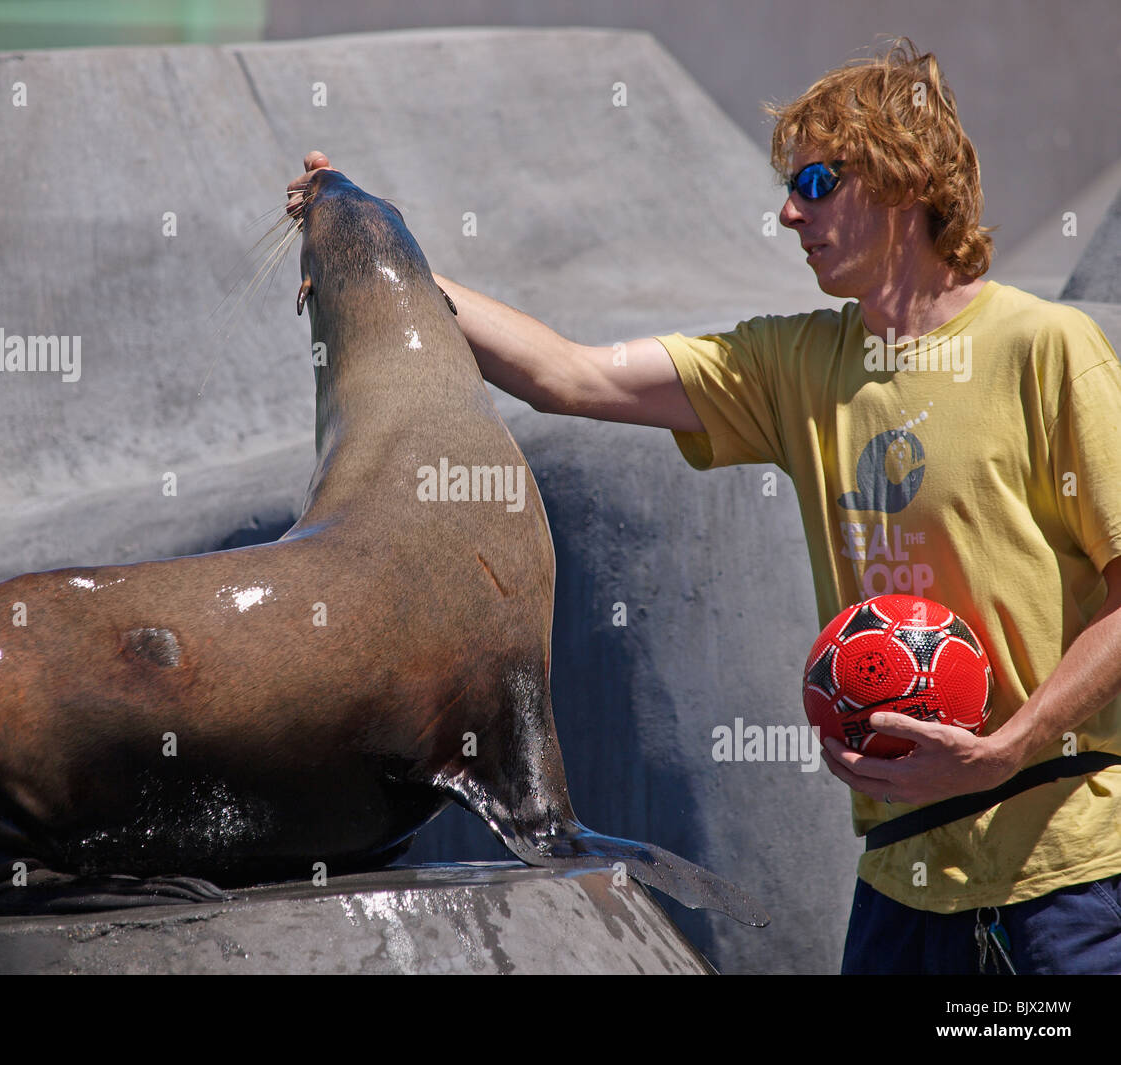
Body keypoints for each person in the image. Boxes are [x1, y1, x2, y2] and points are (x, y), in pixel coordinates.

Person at [285, 39, 1121, 974]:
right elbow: (572, 374)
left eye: (815, 179)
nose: (787, 210)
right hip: (901, 883)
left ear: (904, 180)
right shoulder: (795, 363)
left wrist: (1005, 748)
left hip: (1069, 881)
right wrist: (377, 248)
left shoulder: (1049, 349)